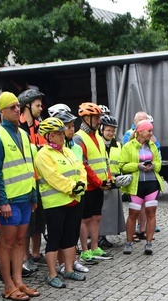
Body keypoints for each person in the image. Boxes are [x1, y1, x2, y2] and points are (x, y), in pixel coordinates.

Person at [0, 92, 40, 301]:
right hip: (10, 201)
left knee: (19, 240)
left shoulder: (24, 135)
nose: (17, 110)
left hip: (25, 198)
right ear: (1, 112)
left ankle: (18, 281)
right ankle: (8, 284)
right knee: (7, 241)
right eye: (11, 107)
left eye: (18, 106)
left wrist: (33, 194)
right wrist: (2, 202)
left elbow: (29, 166)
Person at [33, 117, 87, 288]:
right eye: (57, 134)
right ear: (48, 136)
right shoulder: (43, 155)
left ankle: (69, 269)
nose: (62, 136)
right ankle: (52, 274)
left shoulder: (68, 151)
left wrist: (81, 184)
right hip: (55, 203)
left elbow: (81, 168)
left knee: (70, 237)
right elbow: (52, 177)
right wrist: (72, 187)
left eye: (62, 133)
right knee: (54, 239)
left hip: (73, 200)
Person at [74, 102, 114, 264]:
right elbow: (83, 164)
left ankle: (95, 246)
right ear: (86, 118)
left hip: (100, 185)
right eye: (96, 117)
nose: (99, 121)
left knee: (96, 217)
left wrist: (109, 177)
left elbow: (105, 160)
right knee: (85, 219)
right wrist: (99, 182)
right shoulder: (78, 138)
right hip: (89, 186)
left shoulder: (97, 135)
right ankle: (84, 251)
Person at [119, 119, 163, 255]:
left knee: (151, 213)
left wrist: (153, 166)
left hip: (152, 184)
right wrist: (137, 166)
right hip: (136, 185)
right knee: (133, 214)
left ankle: (149, 243)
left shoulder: (152, 145)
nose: (151, 133)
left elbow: (159, 164)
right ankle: (128, 242)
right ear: (140, 132)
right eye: (149, 131)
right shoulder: (128, 146)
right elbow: (122, 166)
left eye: (151, 130)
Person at [17, 88, 47, 276]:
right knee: (27, 224)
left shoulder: (41, 126)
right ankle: (24, 258)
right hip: (26, 183)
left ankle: (36, 254)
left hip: (41, 181)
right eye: (37, 105)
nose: (40, 108)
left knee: (39, 222)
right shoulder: (17, 128)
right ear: (27, 106)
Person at [99, 115, 126, 245]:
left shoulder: (118, 145)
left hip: (114, 182)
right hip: (101, 182)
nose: (110, 133)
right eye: (108, 130)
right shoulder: (97, 144)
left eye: (113, 131)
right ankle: (98, 237)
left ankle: (102, 237)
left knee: (109, 212)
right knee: (99, 211)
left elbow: (121, 163)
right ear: (102, 130)